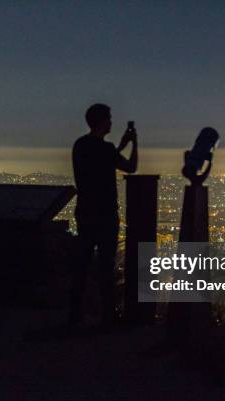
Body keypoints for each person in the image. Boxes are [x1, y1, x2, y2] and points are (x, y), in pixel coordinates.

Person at [70, 103, 138, 326]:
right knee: (106, 268)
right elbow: (130, 167)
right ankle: (108, 316)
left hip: (85, 212)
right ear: (101, 121)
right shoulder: (106, 150)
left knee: (82, 265)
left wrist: (119, 146)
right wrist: (133, 143)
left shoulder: (80, 146)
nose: (111, 122)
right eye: (109, 118)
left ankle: (74, 314)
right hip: (106, 215)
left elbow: (100, 162)